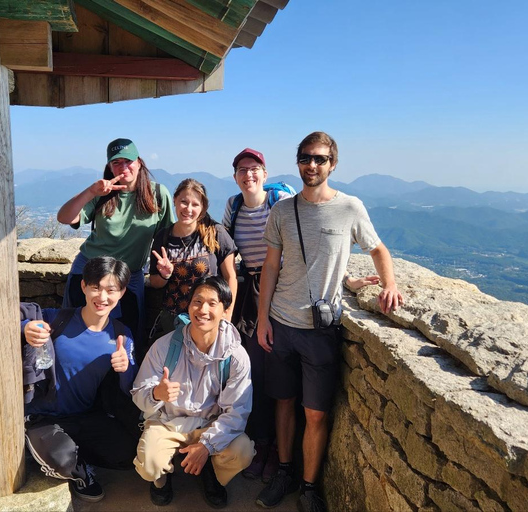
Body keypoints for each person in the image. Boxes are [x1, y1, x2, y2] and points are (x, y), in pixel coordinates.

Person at [255, 132, 404, 511]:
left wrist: (389, 285)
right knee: (284, 404)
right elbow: (271, 267)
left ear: (333, 164)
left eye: (320, 159)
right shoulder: (282, 211)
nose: (312, 165)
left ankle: (308, 487)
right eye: (306, 158)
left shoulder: (350, 208)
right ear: (298, 162)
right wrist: (262, 318)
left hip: (321, 330)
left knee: (316, 413)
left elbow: (378, 248)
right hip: (282, 322)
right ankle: (285, 472)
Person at [21, 256, 140, 503]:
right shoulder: (57, 319)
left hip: (85, 416)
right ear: (83, 286)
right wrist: (24, 327)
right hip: (43, 417)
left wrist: (124, 368)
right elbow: (10, 316)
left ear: (122, 292)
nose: (102, 297)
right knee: (62, 460)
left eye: (111, 290)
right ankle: (79, 472)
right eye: (96, 287)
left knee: (129, 454)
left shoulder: (121, 335)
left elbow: (131, 387)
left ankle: (67, 448)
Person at [131, 276, 254, 509]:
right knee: (149, 464)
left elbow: (237, 411)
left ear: (225, 310)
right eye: (197, 301)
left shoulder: (236, 357)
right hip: (168, 422)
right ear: (188, 306)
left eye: (212, 303)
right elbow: (138, 394)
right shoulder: (165, 346)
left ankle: (212, 472)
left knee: (243, 451)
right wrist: (157, 394)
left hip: (210, 424)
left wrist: (207, 445)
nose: (203, 310)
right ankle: (161, 480)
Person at [57, 138, 174, 352]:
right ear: (110, 166)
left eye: (128, 161)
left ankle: (121, 382)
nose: (123, 167)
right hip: (89, 271)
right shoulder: (102, 193)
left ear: (139, 163)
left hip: (129, 276)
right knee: (76, 333)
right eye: (116, 162)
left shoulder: (157, 194)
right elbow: (64, 217)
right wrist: (91, 192)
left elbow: (170, 236)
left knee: (127, 339)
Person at [221, 148, 293, 483]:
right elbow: (221, 250)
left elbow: (306, 240)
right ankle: (260, 445)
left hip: (282, 292)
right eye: (242, 170)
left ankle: (276, 451)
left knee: (276, 371)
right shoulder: (232, 207)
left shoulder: (280, 201)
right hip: (248, 297)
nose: (248, 175)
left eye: (254, 169)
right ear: (235, 176)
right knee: (252, 371)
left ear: (265, 174)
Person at [148, 178, 238, 340]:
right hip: (174, 319)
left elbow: (231, 276)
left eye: (195, 204)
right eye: (183, 202)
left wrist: (227, 313)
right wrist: (164, 275)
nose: (188, 209)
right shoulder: (164, 236)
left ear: (203, 207)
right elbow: (155, 282)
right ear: (174, 200)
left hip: (207, 316)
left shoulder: (216, 233)